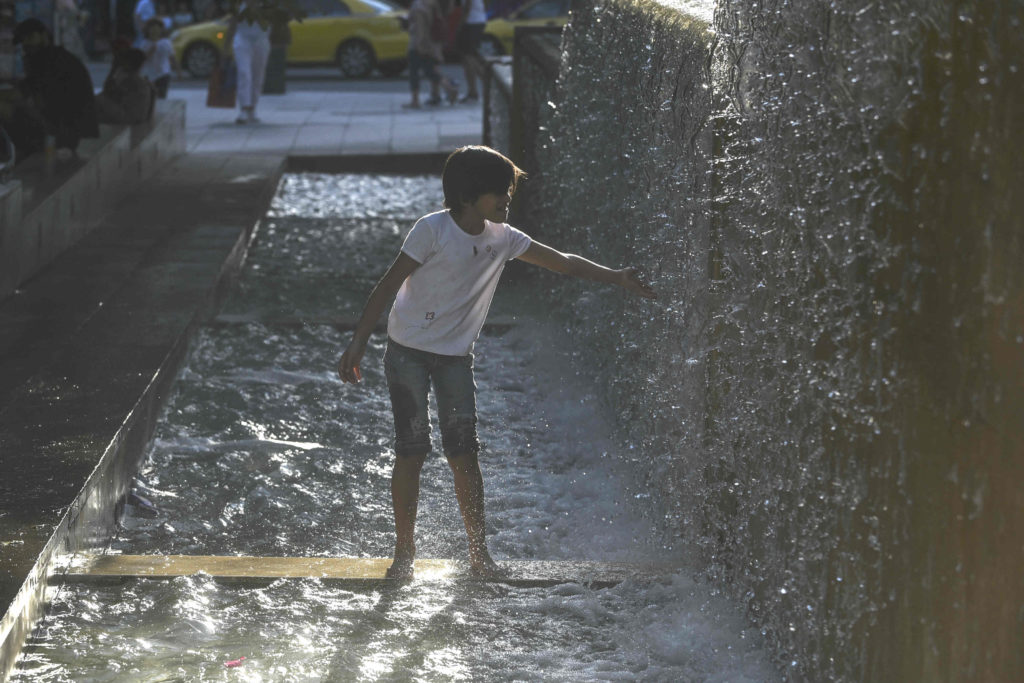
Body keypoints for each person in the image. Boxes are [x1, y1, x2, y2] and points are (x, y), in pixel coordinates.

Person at [336, 146, 657, 579]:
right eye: (500, 194)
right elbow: (388, 285)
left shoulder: (502, 237)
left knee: (464, 453)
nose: (508, 201)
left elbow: (561, 263)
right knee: (411, 450)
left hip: (454, 357)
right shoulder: (431, 230)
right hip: (407, 350)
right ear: (469, 196)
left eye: (508, 193)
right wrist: (358, 343)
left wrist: (616, 277)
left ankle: (479, 555)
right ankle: (404, 552)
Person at [9, 18, 98, 158]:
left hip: (64, 131)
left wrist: (21, 101)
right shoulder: (50, 57)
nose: (26, 44)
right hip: (66, 127)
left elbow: (48, 103)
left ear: (44, 35)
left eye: (30, 37)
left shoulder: (51, 60)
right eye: (23, 40)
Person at [404, 0, 457, 108]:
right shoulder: (432, 3)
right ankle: (448, 88)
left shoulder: (419, 5)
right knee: (429, 69)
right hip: (431, 41)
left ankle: (415, 100)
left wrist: (420, 44)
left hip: (418, 42)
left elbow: (420, 26)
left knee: (414, 71)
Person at [225, 2, 270, 124]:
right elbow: (232, 26)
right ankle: (244, 108)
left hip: (261, 41)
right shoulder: (238, 7)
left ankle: (253, 107)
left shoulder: (267, 7)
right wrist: (225, 48)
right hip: (242, 41)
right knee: (244, 73)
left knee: (258, 75)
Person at [95, 47, 155, 123]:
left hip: (130, 118)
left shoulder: (132, 80)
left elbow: (107, 91)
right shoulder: (136, 79)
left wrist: (113, 69)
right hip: (133, 116)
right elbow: (110, 92)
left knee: (97, 100)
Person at [454, 0, 486, 102]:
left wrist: (460, 25)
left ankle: (480, 86)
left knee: (468, 58)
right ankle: (475, 90)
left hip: (472, 23)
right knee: (469, 57)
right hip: (475, 22)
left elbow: (467, 7)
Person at [140, 18, 179, 97]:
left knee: (161, 95)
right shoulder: (144, 44)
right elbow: (142, 59)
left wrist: (178, 71)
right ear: (147, 30)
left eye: (157, 28)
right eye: (152, 28)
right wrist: (150, 51)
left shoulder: (166, 43)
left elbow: (172, 57)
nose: (155, 31)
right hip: (149, 75)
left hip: (163, 73)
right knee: (150, 96)